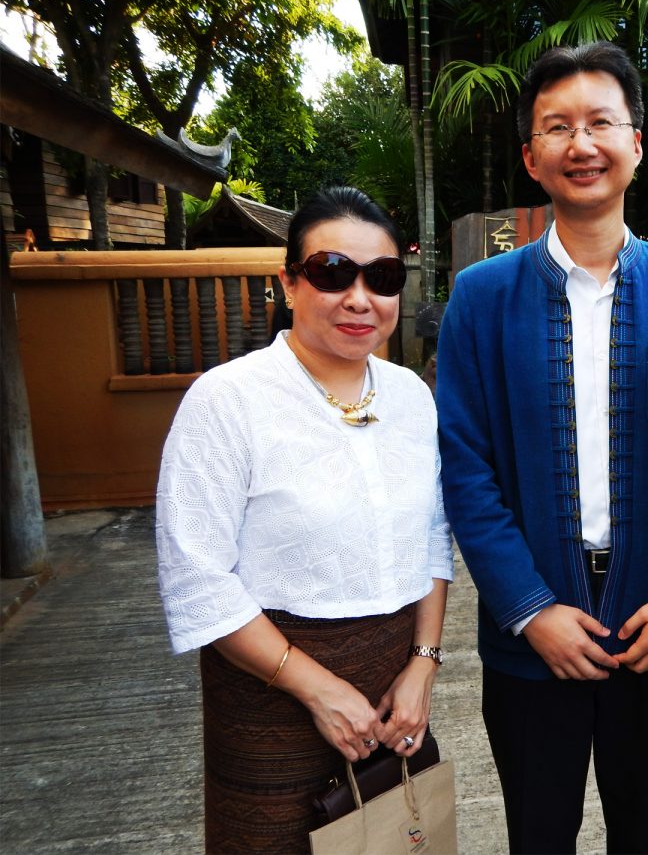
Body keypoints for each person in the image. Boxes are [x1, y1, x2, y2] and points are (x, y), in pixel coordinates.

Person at [436, 41, 648, 853]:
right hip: (531, 638)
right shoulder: (481, 299)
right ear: (532, 157)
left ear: (637, 143)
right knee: (539, 834)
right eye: (557, 127)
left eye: (601, 123)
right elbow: (465, 467)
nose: (581, 144)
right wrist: (529, 610)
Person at [156, 186, 453, 852]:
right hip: (270, 693)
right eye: (332, 272)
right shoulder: (228, 401)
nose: (359, 298)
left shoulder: (410, 395)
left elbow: (432, 536)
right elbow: (197, 577)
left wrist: (424, 665)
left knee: (395, 838)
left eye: (381, 277)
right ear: (289, 282)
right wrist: (316, 688)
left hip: (394, 696)